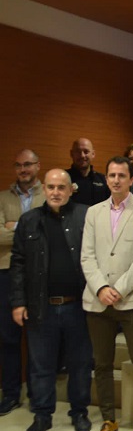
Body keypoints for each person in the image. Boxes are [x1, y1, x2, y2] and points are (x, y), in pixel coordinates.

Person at [80, 156, 133, 431]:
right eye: (111, 175)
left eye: (121, 176)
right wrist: (101, 287)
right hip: (97, 301)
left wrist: (119, 289)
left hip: (132, 300)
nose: (115, 180)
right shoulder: (93, 212)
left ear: (130, 179)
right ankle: (108, 420)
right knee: (101, 364)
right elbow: (86, 255)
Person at [9, 169, 92, 431]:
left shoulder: (84, 216)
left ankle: (79, 412)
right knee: (41, 364)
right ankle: (42, 415)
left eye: (61, 187)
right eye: (51, 187)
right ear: (43, 189)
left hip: (78, 305)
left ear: (70, 190)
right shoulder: (29, 220)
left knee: (79, 363)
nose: (56, 192)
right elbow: (18, 264)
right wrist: (18, 302)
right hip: (40, 307)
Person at [0, 149, 45, 416]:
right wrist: (28, 228)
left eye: (27, 164)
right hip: (6, 273)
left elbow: (49, 231)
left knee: (40, 338)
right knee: (8, 337)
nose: (23, 169)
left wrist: (11, 226)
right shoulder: (2, 198)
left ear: (37, 166)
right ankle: (11, 393)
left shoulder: (48, 193)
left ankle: (39, 394)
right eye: (18, 165)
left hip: (41, 274)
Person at [67, 138, 110, 206]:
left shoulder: (103, 180)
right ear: (71, 154)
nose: (82, 155)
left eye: (86, 151)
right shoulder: (63, 178)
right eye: (78, 151)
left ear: (93, 154)